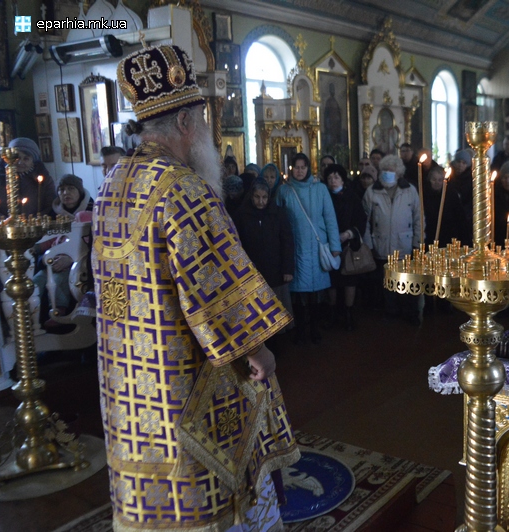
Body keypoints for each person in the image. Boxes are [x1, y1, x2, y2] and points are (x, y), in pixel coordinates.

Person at [94, 44, 299, 532]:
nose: (208, 131)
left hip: (128, 383)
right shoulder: (183, 189)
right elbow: (214, 289)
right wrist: (260, 350)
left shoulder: (111, 184)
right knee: (215, 491)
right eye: (204, 119)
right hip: (184, 377)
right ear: (186, 124)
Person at [275, 152, 340, 344]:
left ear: (308, 168)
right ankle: (301, 330)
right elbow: (277, 221)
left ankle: (314, 328)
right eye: (297, 167)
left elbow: (330, 218)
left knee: (315, 293)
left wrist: (335, 246)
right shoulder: (284, 191)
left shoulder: (320, 189)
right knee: (298, 294)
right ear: (292, 169)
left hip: (316, 247)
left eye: (303, 167)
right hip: (295, 248)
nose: (300, 171)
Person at [362, 155, 422, 324]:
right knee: (388, 283)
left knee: (408, 281)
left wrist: (418, 241)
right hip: (382, 244)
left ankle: (411, 312)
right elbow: (365, 220)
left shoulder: (410, 190)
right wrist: (368, 243)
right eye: (386, 170)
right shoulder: (372, 191)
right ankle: (391, 312)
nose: (389, 173)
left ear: (399, 172)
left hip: (405, 244)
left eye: (392, 170)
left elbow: (419, 218)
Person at [233, 178, 295, 333]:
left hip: (275, 269)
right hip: (252, 271)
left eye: (264, 198)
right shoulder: (242, 215)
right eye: (257, 197)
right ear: (251, 196)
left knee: (276, 311)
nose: (261, 201)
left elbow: (287, 242)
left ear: (269, 197)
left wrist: (288, 269)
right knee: (256, 314)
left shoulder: (278, 214)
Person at [32, 174, 94, 320]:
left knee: (58, 281)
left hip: (77, 264)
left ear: (79, 191)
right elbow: (50, 240)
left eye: (71, 188)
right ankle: (30, 316)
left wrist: (70, 259)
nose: (65, 193)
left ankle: (59, 315)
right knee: (35, 282)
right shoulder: (53, 216)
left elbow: (90, 243)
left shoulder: (90, 213)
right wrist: (39, 250)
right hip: (52, 261)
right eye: (61, 189)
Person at [324, 164, 367, 330]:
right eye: (329, 178)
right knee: (332, 281)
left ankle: (349, 314)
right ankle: (333, 312)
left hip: (348, 244)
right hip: (330, 246)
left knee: (349, 278)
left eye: (336, 177)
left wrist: (349, 234)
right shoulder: (325, 196)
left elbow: (360, 220)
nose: (333, 181)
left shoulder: (352, 197)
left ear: (342, 179)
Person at [0, 137, 55, 217]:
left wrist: (33, 221)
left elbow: (49, 205)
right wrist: (5, 221)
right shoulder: (0, 177)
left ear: (33, 161)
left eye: (26, 159)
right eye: (17, 158)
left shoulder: (44, 179)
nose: (20, 162)